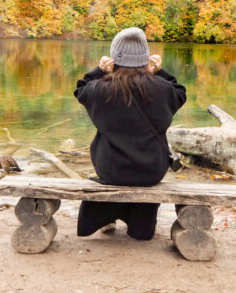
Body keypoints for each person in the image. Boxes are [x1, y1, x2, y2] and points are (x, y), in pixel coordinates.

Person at [73, 27, 186, 241]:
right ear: (145, 58)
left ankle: (104, 217)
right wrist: (160, 72)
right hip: (150, 171)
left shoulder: (100, 89)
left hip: (110, 169)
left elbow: (81, 90)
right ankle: (139, 225)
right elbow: (180, 93)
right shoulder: (162, 89)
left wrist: (98, 70)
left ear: (114, 59)